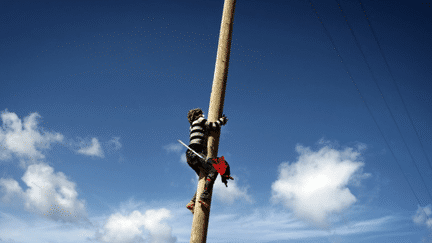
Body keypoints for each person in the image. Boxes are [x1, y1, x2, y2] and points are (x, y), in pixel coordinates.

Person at [185, 108, 232, 213]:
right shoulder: (199, 120)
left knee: (206, 179)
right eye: (201, 113)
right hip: (195, 153)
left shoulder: (193, 125)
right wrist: (222, 121)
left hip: (191, 156)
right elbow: (213, 126)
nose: (203, 114)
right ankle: (204, 197)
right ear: (198, 114)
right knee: (214, 168)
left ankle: (192, 202)